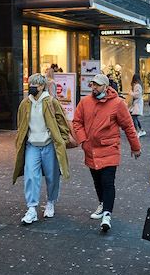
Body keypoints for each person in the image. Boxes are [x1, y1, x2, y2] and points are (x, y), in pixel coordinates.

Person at [73, 74, 141, 231]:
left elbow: (128, 126)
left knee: (107, 181)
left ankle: (107, 215)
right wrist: (83, 140)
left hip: (110, 149)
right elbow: (77, 122)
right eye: (92, 85)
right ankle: (103, 204)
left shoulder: (117, 104)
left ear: (106, 86)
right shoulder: (85, 102)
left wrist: (135, 146)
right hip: (91, 149)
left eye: (97, 85)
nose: (94, 88)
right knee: (97, 180)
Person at [12, 73, 71, 224]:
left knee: (52, 176)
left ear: (43, 86)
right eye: (30, 84)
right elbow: (21, 125)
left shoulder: (51, 101)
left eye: (35, 85)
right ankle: (31, 208)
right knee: (31, 175)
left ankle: (50, 202)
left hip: (49, 144)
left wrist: (62, 142)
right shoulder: (25, 103)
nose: (32, 87)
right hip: (32, 145)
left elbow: (62, 124)